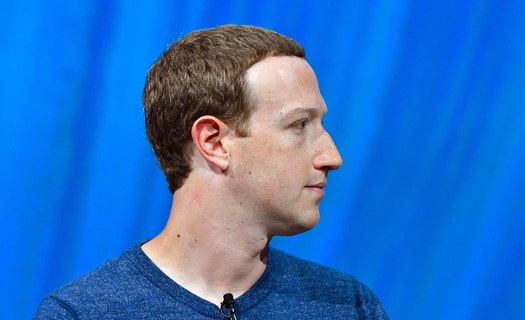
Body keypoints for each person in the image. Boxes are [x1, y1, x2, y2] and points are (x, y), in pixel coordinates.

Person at [34, 25, 388, 319]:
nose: (332, 156)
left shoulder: (349, 306)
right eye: (299, 125)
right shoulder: (82, 314)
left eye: (321, 125)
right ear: (214, 142)